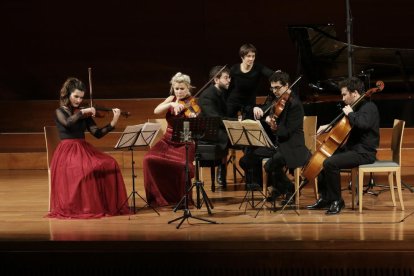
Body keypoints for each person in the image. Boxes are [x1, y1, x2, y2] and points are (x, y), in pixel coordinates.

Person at [47, 77, 130, 219]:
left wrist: (113, 122)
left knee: (109, 163)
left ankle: (103, 204)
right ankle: (85, 206)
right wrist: (82, 112)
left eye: (81, 97)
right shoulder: (59, 111)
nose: (79, 101)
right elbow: (68, 123)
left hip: (83, 148)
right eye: (76, 96)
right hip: (67, 151)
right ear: (68, 94)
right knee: (86, 169)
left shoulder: (83, 113)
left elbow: (97, 133)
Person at [307, 77, 380, 215]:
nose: (342, 98)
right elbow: (346, 124)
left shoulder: (369, 107)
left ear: (355, 93)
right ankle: (326, 198)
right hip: (353, 149)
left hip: (364, 152)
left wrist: (350, 114)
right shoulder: (356, 108)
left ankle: (337, 201)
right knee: (323, 157)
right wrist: (329, 127)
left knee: (330, 163)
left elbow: (363, 124)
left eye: (345, 94)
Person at [239, 71, 310, 202]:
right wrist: (268, 121)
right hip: (279, 144)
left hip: (293, 146)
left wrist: (273, 125)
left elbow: (286, 132)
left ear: (287, 85)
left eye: (277, 87)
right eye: (272, 88)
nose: (275, 91)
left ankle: (288, 189)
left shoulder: (295, 105)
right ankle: (282, 187)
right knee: (247, 160)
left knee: (270, 165)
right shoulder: (278, 102)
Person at [143, 72, 200, 207]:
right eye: (176, 88)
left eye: (182, 88)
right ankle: (158, 197)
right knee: (148, 159)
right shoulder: (171, 99)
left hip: (184, 141)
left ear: (188, 88)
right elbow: (157, 110)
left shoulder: (192, 103)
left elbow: (196, 121)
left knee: (182, 166)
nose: (179, 92)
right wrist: (171, 105)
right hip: (167, 140)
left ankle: (181, 198)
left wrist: (192, 117)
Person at [197, 65, 232, 188]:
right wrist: (236, 122)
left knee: (245, 139)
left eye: (229, 77)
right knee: (232, 137)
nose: (229, 80)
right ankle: (222, 169)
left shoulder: (221, 92)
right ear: (216, 80)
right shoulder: (207, 95)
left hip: (218, 128)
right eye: (226, 78)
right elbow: (215, 119)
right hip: (208, 132)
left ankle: (252, 177)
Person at [226, 43, 274, 119]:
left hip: (249, 103)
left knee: (250, 123)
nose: (251, 59)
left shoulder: (258, 68)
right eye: (248, 56)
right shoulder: (234, 69)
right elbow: (228, 86)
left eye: (253, 56)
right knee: (228, 121)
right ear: (242, 57)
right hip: (233, 101)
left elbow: (272, 74)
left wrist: (278, 75)